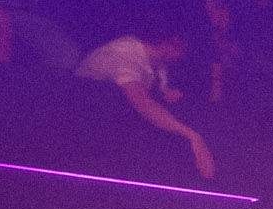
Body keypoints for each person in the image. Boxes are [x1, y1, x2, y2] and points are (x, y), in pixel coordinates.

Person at [74, 29, 214, 179]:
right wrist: (193, 136)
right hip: (84, 113)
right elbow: (143, 103)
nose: (182, 57)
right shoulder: (126, 56)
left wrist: (164, 92)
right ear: (173, 43)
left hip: (116, 111)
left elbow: (150, 85)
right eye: (183, 49)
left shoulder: (157, 59)